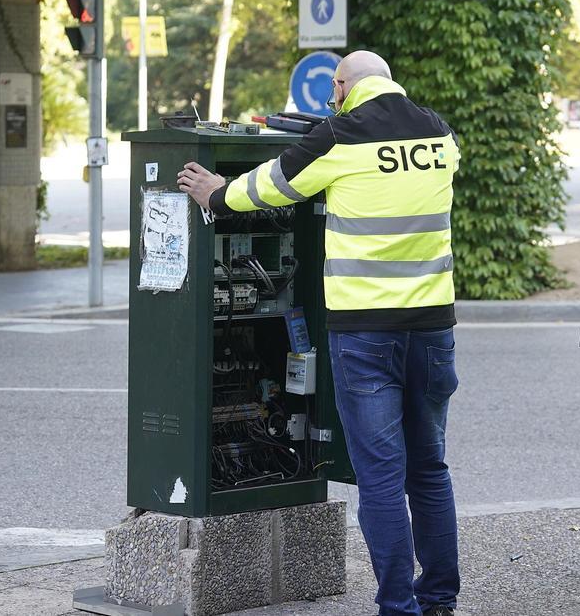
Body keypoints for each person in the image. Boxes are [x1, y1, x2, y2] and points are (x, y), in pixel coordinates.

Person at [177, 50, 461, 616]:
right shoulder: (440, 134)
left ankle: (398, 607)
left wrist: (216, 193)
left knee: (381, 477)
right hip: (432, 327)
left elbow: (273, 185)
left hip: (365, 332)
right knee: (429, 468)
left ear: (341, 87)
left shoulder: (339, 135)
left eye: (335, 90)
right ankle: (440, 600)